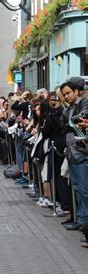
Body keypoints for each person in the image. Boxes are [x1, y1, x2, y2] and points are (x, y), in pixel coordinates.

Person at [60, 80, 88, 247]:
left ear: (77, 91)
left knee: (84, 191)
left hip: (82, 153)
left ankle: (84, 224)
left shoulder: (84, 103)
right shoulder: (69, 107)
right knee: (78, 190)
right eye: (64, 94)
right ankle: (81, 221)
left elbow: (77, 121)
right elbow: (64, 123)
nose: (66, 96)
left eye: (68, 93)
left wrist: (71, 122)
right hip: (72, 152)